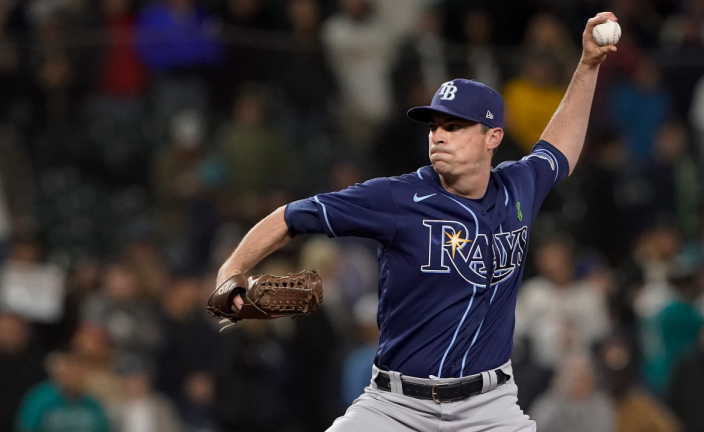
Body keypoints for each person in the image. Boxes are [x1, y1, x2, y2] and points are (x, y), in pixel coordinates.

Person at [215, 12, 618, 431]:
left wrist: (588, 65)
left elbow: (560, 148)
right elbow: (290, 216)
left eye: (455, 126)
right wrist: (232, 269)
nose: (438, 135)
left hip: (488, 409)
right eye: (435, 125)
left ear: (492, 137)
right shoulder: (397, 197)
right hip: (395, 406)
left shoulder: (519, 186)